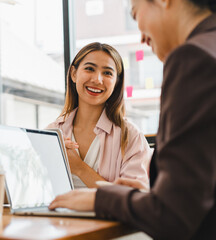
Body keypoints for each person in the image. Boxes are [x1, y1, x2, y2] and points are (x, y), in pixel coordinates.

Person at [49, 0, 216, 239]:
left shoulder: (194, 58)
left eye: (135, 15)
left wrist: (101, 198)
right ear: (73, 73)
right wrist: (144, 197)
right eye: (89, 69)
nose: (142, 38)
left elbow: (173, 214)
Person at [47, 42, 151, 189]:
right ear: (73, 74)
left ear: (116, 82)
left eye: (107, 73)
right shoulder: (51, 133)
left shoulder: (131, 136)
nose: (97, 80)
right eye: (89, 69)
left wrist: (79, 168)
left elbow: (133, 199)